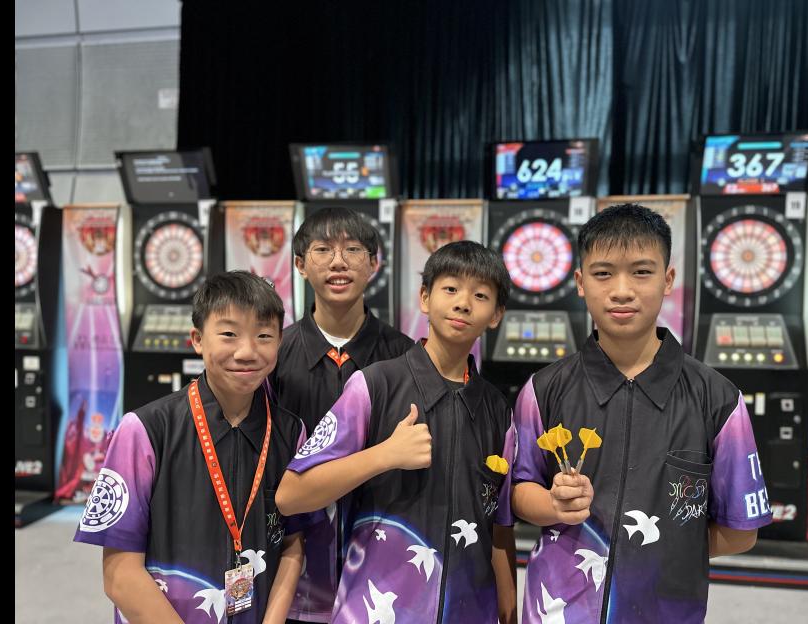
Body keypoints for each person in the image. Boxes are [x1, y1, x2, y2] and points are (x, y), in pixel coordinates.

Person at [511, 204, 772, 623]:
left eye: (641, 272)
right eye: (603, 273)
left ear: (668, 280)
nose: (621, 290)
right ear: (580, 282)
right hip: (558, 611)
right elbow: (520, 490)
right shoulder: (543, 390)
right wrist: (554, 504)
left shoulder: (719, 399)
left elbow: (741, 531)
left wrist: (664, 546)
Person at [277, 241, 518, 623]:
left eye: (481, 295)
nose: (463, 303)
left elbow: (500, 530)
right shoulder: (374, 386)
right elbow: (291, 495)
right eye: (451, 288)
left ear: (496, 315)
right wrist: (383, 455)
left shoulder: (497, 410)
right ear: (424, 298)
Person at [75, 271, 310, 623]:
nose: (247, 352)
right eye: (229, 334)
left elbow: (293, 543)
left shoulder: (291, 432)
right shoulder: (144, 430)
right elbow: (120, 575)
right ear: (198, 339)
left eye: (264, 336)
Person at [269, 206, 414, 623]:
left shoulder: (406, 357)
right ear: (300, 264)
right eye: (323, 250)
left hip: (379, 551)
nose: (338, 262)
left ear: (374, 264)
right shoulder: (274, 355)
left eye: (352, 249)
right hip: (292, 547)